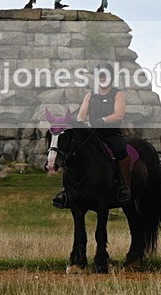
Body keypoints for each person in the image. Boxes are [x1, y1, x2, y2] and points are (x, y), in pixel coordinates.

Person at [52, 63, 131, 208]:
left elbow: (119, 115)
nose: (102, 78)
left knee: (120, 148)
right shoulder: (90, 96)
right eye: (100, 75)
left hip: (111, 133)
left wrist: (103, 120)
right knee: (72, 152)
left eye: (105, 75)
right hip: (93, 133)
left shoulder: (117, 94)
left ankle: (125, 185)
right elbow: (82, 115)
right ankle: (66, 190)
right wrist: (81, 126)